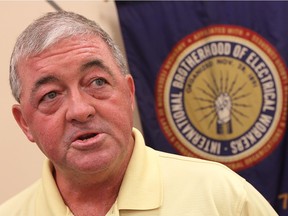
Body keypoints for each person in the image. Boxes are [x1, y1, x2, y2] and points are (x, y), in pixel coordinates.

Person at [0, 11, 278, 216]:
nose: (80, 110)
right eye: (50, 95)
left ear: (129, 93)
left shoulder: (220, 196)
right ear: (25, 123)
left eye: (97, 82)